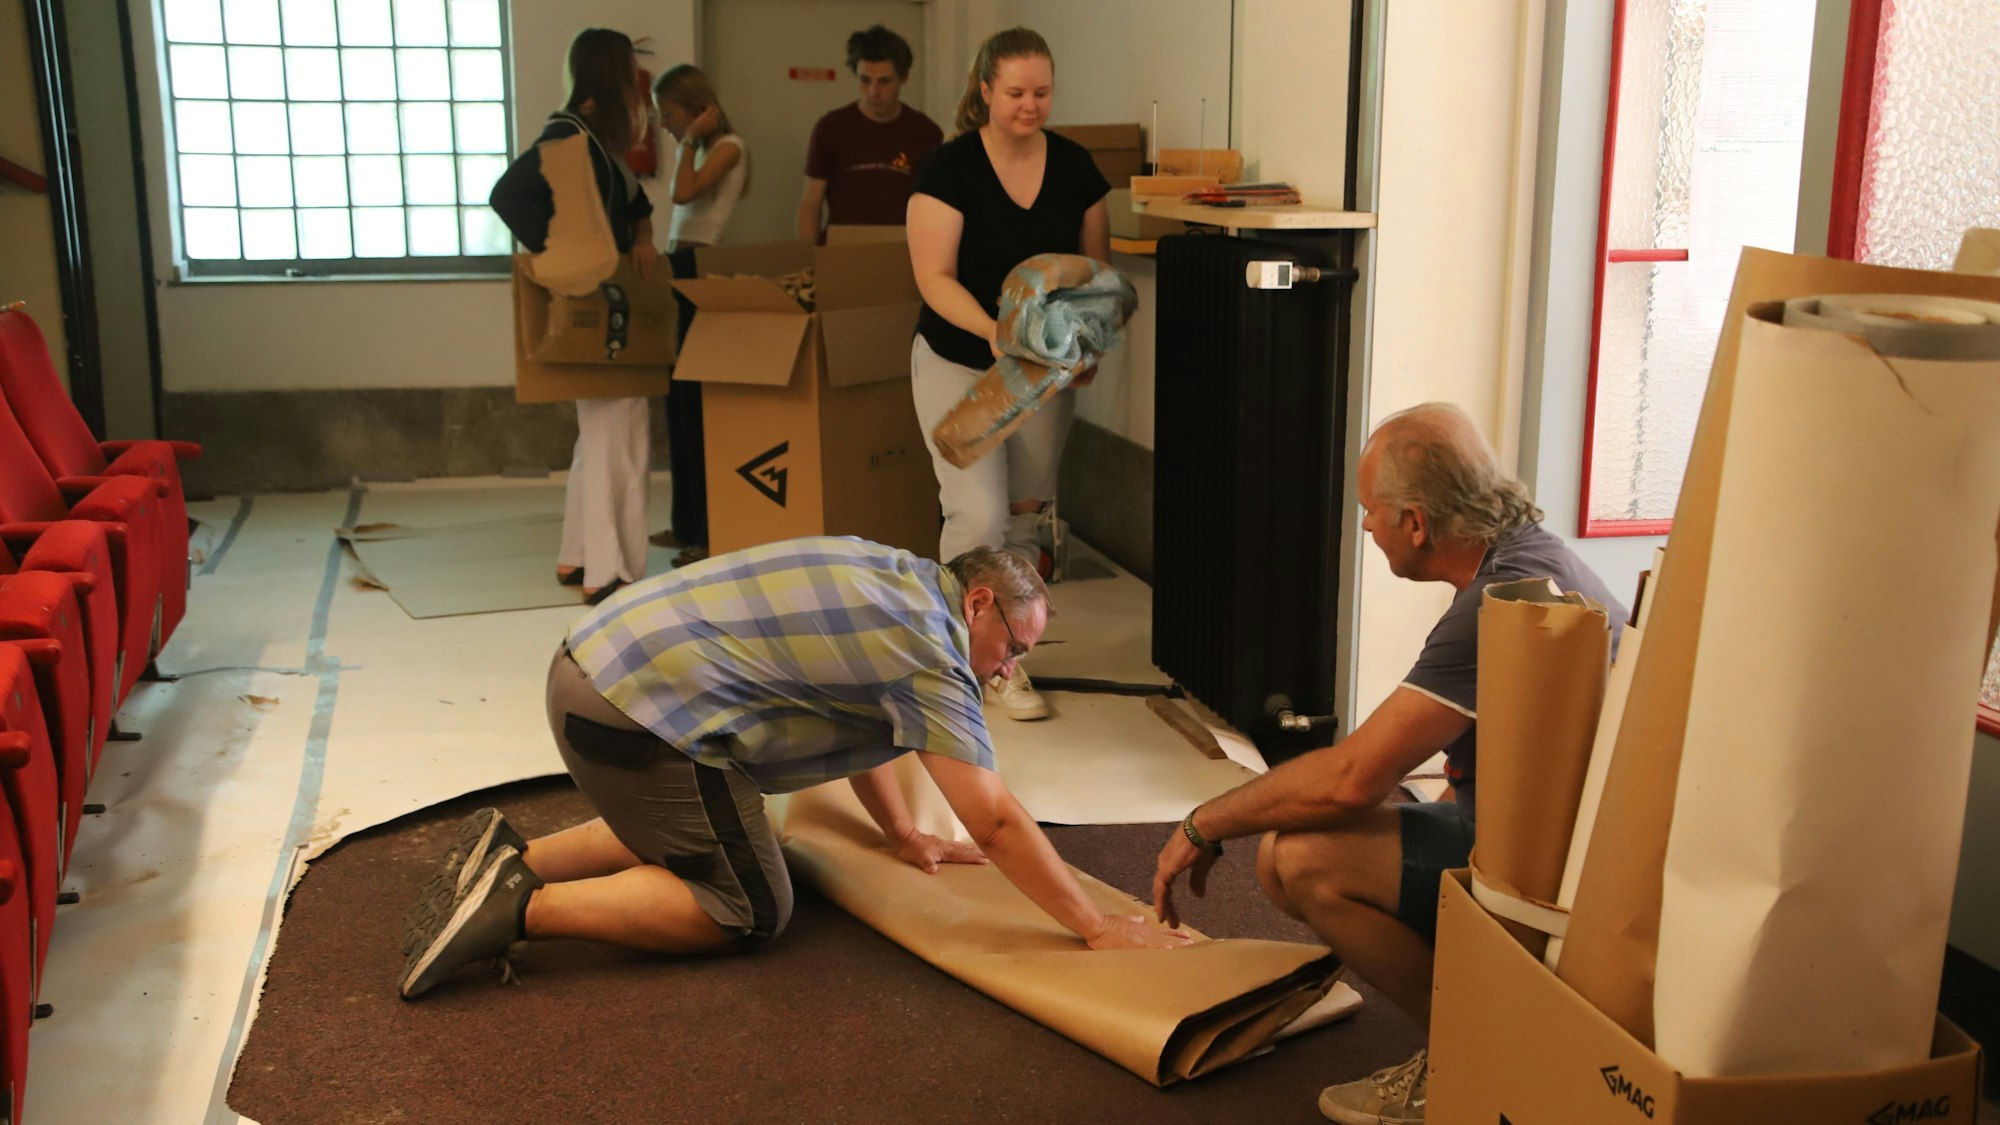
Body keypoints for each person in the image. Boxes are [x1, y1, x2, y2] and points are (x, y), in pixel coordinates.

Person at [398, 537, 1191, 999]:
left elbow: (866, 727)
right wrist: (1095, 926)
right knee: (746, 902)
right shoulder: (932, 652)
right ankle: (519, 907)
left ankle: (510, 854)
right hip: (631, 713)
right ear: (979, 603)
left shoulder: (901, 576)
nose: (1010, 671)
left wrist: (905, 830)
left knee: (721, 821)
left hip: (590, 666)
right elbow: (993, 815)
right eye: (1013, 649)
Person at [1149, 404, 1627, 1125]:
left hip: (1562, 882)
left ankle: (1475, 1061)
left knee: (1302, 858)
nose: (1366, 526)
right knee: (1308, 836)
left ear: (1416, 523)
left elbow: (1350, 779)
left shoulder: (1501, 601)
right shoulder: (1531, 557)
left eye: (1372, 511)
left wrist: (1203, 822)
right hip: (1564, 849)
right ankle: (1483, 1033)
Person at [906, 27, 1110, 723]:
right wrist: (997, 333)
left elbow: (1091, 276)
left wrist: (1088, 349)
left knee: (1024, 517)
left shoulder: (1078, 168)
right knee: (978, 514)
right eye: (1016, 92)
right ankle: (956, 663)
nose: (1030, 105)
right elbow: (932, 277)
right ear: (986, 90)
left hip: (1043, 376)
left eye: (1042, 93)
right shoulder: (949, 168)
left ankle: (1008, 658)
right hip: (957, 362)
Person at [490, 28, 657, 605]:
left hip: (603, 300)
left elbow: (637, 203)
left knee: (600, 438)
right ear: (612, 74)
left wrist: (640, 236)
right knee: (620, 438)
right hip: (593, 303)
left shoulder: (589, 138)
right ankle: (609, 572)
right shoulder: (568, 136)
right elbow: (508, 196)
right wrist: (558, 252)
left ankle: (579, 556)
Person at [651, 64, 750, 568]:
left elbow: (682, 194)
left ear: (695, 109)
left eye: (669, 114)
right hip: (682, 266)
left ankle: (709, 534)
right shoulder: (709, 145)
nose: (665, 125)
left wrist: (689, 141)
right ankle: (687, 524)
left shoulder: (728, 144)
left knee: (696, 408)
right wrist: (689, 140)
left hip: (703, 268)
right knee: (678, 402)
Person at [796, 24, 943, 242]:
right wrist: (809, 259)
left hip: (901, 248)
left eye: (884, 81)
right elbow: (811, 202)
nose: (874, 92)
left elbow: (935, 205)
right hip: (841, 248)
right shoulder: (831, 127)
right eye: (865, 80)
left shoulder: (925, 132)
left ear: (903, 79)